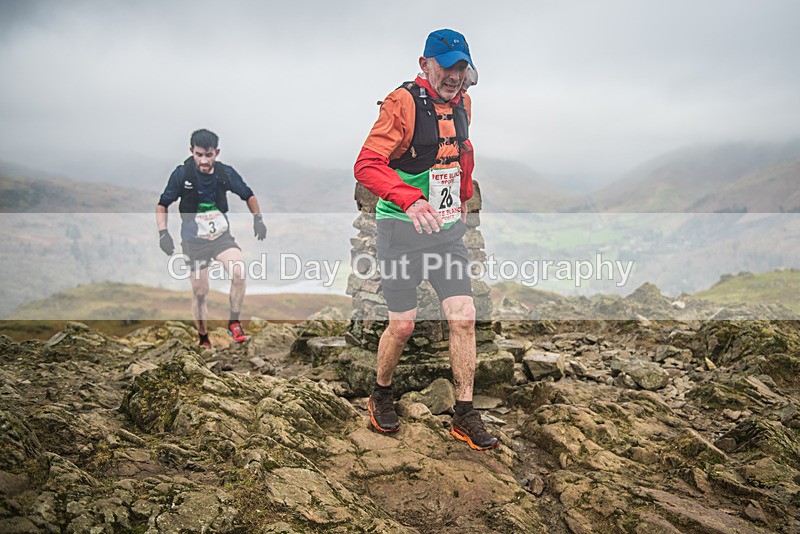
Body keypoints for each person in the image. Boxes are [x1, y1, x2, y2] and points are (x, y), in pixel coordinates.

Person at [354, 29, 498, 450]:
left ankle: (464, 414)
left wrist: (461, 197)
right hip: (400, 229)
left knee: (464, 316)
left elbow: (457, 155)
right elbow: (366, 164)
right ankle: (380, 392)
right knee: (402, 325)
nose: (454, 75)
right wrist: (410, 199)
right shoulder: (401, 103)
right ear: (424, 65)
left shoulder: (463, 102)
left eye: (460, 66)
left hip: (446, 231)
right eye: (446, 65)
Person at [156, 129, 267, 348]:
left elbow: (248, 194)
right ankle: (204, 337)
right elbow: (163, 203)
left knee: (239, 272)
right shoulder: (182, 174)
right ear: (192, 151)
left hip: (220, 238)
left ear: (216, 152)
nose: (204, 160)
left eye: (208, 155)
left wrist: (258, 219)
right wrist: (163, 233)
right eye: (199, 155)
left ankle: (234, 322)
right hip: (194, 242)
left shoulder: (225, 173)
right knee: (200, 292)